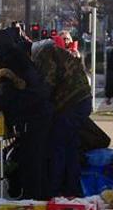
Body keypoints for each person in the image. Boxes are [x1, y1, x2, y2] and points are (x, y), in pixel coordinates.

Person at [0, 28, 54, 200]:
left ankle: (32, 202)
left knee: (30, 162)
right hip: (40, 115)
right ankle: (38, 199)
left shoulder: (7, 65)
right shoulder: (19, 58)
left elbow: (3, 98)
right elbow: (7, 87)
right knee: (35, 160)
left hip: (31, 119)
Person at [31, 36, 92, 198]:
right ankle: (72, 189)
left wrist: (38, 102)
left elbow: (47, 85)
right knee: (70, 147)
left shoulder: (45, 55)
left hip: (71, 104)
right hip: (81, 100)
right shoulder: (57, 53)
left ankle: (55, 190)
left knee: (58, 146)